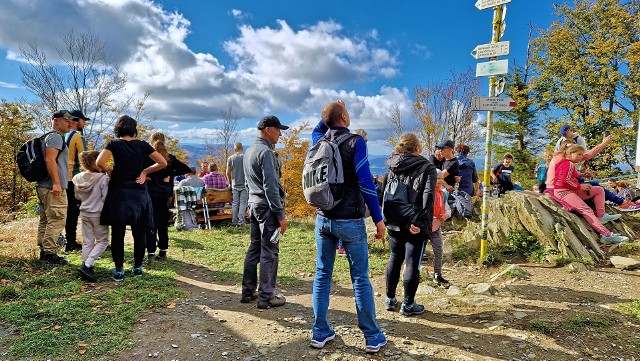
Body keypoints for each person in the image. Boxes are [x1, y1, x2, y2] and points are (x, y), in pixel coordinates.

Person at [309, 100, 387, 354]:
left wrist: (328, 113)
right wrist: (377, 218)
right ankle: (372, 336)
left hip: (323, 219)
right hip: (350, 221)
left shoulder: (319, 140)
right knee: (360, 278)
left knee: (322, 275)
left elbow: (318, 127)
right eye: (346, 112)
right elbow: (365, 181)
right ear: (343, 116)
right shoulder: (356, 142)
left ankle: (320, 331)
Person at [96, 116, 167, 282]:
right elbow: (162, 162)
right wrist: (145, 172)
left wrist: (109, 170)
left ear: (118, 129)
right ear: (134, 129)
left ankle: (119, 270)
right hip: (138, 192)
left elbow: (99, 162)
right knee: (139, 232)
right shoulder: (142, 145)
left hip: (119, 191)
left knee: (118, 233)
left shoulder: (114, 144)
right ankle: (137, 268)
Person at [383, 133, 437, 317]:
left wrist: (386, 218)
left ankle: (390, 299)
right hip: (415, 221)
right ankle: (408, 305)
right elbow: (428, 196)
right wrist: (419, 222)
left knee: (394, 257)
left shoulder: (391, 165)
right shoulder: (426, 167)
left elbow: (384, 192)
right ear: (417, 148)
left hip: (393, 220)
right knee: (412, 262)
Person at [241, 115, 289, 309]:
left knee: (255, 247)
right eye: (278, 130)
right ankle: (266, 297)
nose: (280, 134)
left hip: (254, 205)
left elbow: (246, 183)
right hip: (267, 207)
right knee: (270, 250)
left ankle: (248, 292)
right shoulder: (266, 153)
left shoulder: (249, 151)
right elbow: (271, 187)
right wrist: (280, 215)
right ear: (268, 129)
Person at [553, 143, 627, 244]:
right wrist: (579, 186)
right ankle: (606, 235)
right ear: (570, 153)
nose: (581, 157)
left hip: (571, 190)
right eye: (579, 154)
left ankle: (601, 216)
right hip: (564, 192)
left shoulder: (567, 163)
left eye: (582, 154)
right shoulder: (568, 164)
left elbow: (571, 175)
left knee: (599, 190)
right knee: (586, 210)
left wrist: (582, 174)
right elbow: (563, 181)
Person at [36, 110, 76, 265]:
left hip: (44, 186)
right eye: (67, 120)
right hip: (52, 187)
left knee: (46, 219)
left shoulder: (48, 137)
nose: (70, 123)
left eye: (72, 121)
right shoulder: (55, 137)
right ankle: (49, 254)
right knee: (57, 218)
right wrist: (57, 183)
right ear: (56, 120)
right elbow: (50, 159)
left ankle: (44, 251)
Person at [145, 132, 190, 263]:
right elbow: (186, 168)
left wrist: (149, 177)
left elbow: (139, 172)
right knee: (162, 223)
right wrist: (171, 173)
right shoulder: (170, 158)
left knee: (151, 223)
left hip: (150, 193)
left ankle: (151, 252)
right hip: (165, 194)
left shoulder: (147, 158)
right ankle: (163, 251)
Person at [73, 150, 109, 282]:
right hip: (98, 213)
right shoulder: (103, 178)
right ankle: (87, 265)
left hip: (84, 212)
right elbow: (105, 197)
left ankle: (86, 265)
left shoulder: (77, 178)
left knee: (88, 241)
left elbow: (77, 196)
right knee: (103, 241)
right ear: (97, 162)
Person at [63, 110, 89, 252]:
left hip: (61, 177)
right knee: (73, 211)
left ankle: (65, 240)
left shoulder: (63, 135)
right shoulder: (78, 136)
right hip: (73, 178)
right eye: (83, 120)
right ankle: (70, 242)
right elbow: (85, 158)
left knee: (64, 211)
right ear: (76, 120)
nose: (84, 123)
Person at [428, 170, 452, 288]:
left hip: (436, 227)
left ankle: (437, 274)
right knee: (417, 252)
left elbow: (448, 208)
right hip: (424, 227)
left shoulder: (443, 193)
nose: (440, 181)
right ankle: (411, 273)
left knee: (439, 251)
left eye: (442, 178)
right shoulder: (427, 193)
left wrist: (446, 215)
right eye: (438, 178)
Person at [227, 142, 248, 226]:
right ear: (242, 148)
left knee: (235, 203)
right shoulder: (245, 157)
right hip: (244, 183)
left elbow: (227, 172)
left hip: (235, 184)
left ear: (234, 149)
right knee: (243, 203)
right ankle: (241, 221)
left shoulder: (230, 158)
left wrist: (230, 182)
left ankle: (234, 221)